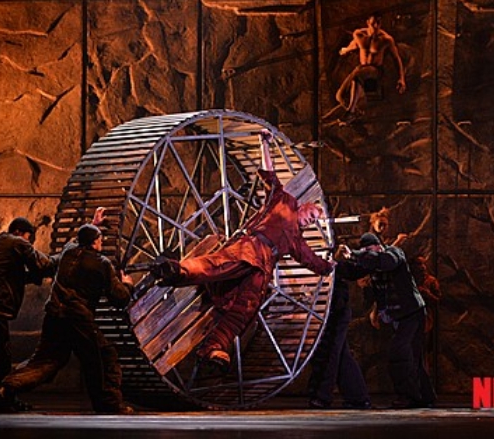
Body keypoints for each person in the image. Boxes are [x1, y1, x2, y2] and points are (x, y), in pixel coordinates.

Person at [151, 129, 335, 373]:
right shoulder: (284, 201)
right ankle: (176, 270)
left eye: (313, 221)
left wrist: (332, 266)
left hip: (261, 272)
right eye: (311, 215)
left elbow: (312, 261)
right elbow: (269, 175)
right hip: (249, 249)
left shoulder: (296, 241)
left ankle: (214, 347)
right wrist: (264, 143)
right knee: (216, 266)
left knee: (245, 309)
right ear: (302, 207)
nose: (310, 221)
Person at [0, 209, 135, 414]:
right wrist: (128, 284)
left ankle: (6, 386)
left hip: (54, 315)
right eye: (100, 238)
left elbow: (76, 240)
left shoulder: (68, 252)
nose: (102, 241)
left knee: (45, 361)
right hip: (78, 318)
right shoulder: (101, 264)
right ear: (95, 242)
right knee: (104, 356)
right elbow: (120, 298)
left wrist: (93, 224)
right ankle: (109, 404)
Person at [0, 216, 56, 412]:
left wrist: (32, 276)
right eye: (29, 239)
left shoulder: (0, 245)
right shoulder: (15, 241)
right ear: (19, 232)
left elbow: (15, 277)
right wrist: (65, 255)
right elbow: (42, 264)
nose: (29, 244)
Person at [345, 233, 435, 409]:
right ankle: (425, 396)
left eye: (369, 250)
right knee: (413, 356)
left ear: (378, 246)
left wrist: (354, 254)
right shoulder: (372, 262)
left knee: (399, 352)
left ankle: (408, 396)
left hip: (411, 313)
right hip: (399, 316)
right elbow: (355, 272)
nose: (368, 254)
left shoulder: (394, 253)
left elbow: (387, 262)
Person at [307, 249, 371, 410]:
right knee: (341, 355)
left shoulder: (336, 266)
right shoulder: (316, 263)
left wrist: (353, 257)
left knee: (330, 352)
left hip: (335, 311)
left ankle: (322, 396)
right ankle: (358, 397)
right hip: (326, 310)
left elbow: (355, 271)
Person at [334, 12, 406, 123]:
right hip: (361, 69)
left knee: (358, 73)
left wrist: (401, 78)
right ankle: (356, 112)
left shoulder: (386, 39)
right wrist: (346, 50)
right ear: (368, 23)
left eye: (378, 23)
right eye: (373, 23)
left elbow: (396, 59)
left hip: (375, 71)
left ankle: (351, 112)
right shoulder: (359, 34)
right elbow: (355, 44)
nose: (376, 26)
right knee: (340, 96)